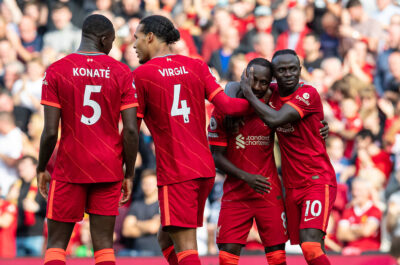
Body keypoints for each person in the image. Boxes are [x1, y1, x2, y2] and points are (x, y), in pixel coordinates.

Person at [132, 15, 253, 265]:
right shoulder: (196, 66)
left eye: (137, 38)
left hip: (177, 171)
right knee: (166, 237)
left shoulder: (142, 74)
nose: (134, 45)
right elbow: (229, 106)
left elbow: (132, 129)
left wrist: (124, 169)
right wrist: (263, 105)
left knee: (186, 247)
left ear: (150, 38)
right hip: (204, 170)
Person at [37, 14, 139, 265]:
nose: (112, 47)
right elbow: (130, 131)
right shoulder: (121, 71)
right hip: (108, 166)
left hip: (70, 165)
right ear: (104, 39)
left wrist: (42, 168)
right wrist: (128, 172)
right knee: (104, 245)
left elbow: (50, 131)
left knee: (56, 246)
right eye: (112, 41)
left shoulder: (57, 69)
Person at [240, 49, 337, 265]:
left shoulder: (307, 93)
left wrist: (248, 93)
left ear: (300, 70)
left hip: (317, 180)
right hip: (292, 185)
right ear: (274, 74)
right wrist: (245, 84)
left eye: (293, 69)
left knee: (310, 245)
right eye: (281, 70)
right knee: (311, 249)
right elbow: (235, 89)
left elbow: (275, 119)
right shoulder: (271, 92)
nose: (288, 74)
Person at [208, 58, 288, 265]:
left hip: (268, 191)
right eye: (254, 80)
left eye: (264, 82)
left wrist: (321, 125)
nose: (258, 87)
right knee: (227, 256)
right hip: (237, 193)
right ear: (245, 75)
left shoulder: (271, 106)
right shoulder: (224, 109)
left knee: (277, 256)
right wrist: (247, 178)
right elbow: (216, 156)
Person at [121, 169, 161, 256]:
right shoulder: (136, 205)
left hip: (157, 254)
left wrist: (136, 224)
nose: (147, 186)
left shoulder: (162, 205)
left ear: (157, 185)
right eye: (145, 183)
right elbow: (126, 231)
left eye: (150, 184)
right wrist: (148, 225)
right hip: (136, 253)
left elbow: (153, 227)